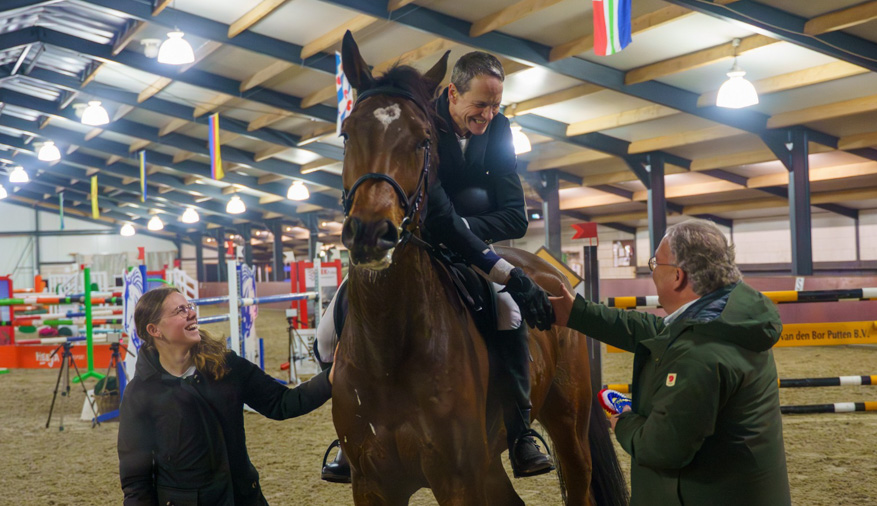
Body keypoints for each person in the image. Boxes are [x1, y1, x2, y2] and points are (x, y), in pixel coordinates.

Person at [319, 51, 554, 482]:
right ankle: (349, 434)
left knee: (509, 312)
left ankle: (520, 431)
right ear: (452, 92)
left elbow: (515, 217)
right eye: (480, 104)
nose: (488, 114)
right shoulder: (423, 122)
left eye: (495, 105)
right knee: (328, 330)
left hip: (465, 242)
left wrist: (459, 229)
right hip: (413, 235)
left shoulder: (499, 131)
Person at [549, 219, 791, 506]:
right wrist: (577, 313)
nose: (653, 272)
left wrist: (623, 419)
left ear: (678, 276)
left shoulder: (699, 352)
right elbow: (652, 330)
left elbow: (661, 448)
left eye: (655, 264)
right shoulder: (727, 319)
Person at [118, 286, 333, 505]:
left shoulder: (227, 365)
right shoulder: (140, 392)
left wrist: (331, 379)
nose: (191, 313)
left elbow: (282, 403)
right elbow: (136, 480)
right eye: (180, 310)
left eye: (189, 306)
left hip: (244, 498)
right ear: (155, 330)